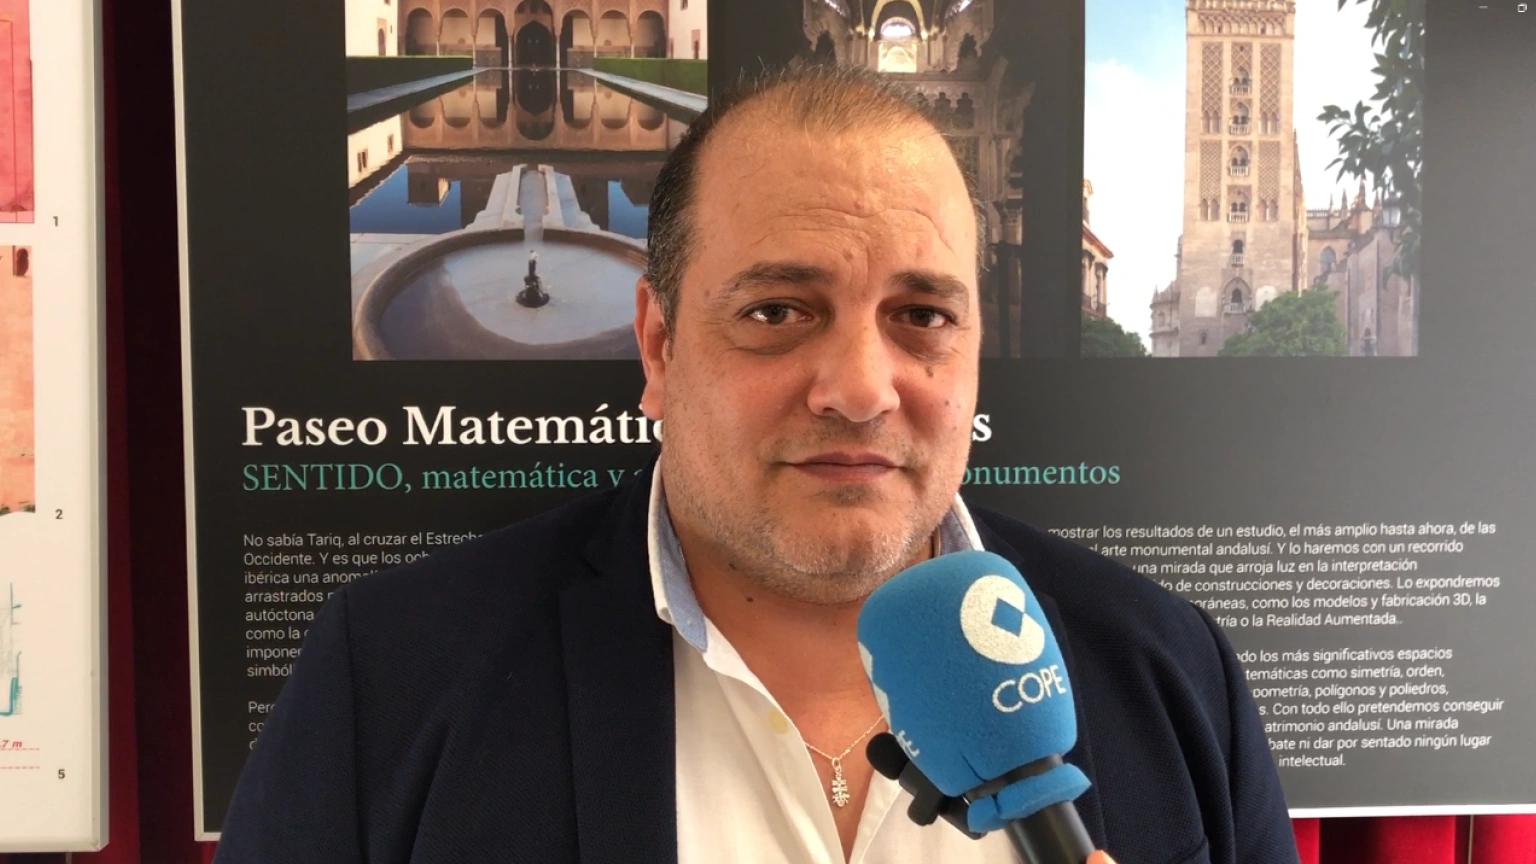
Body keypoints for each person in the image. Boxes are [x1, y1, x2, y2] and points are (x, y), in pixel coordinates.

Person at [211, 64, 1299, 864]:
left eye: (922, 315)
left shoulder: (1171, 672)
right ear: (659, 346)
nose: (861, 388)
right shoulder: (389, 680)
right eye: (778, 311)